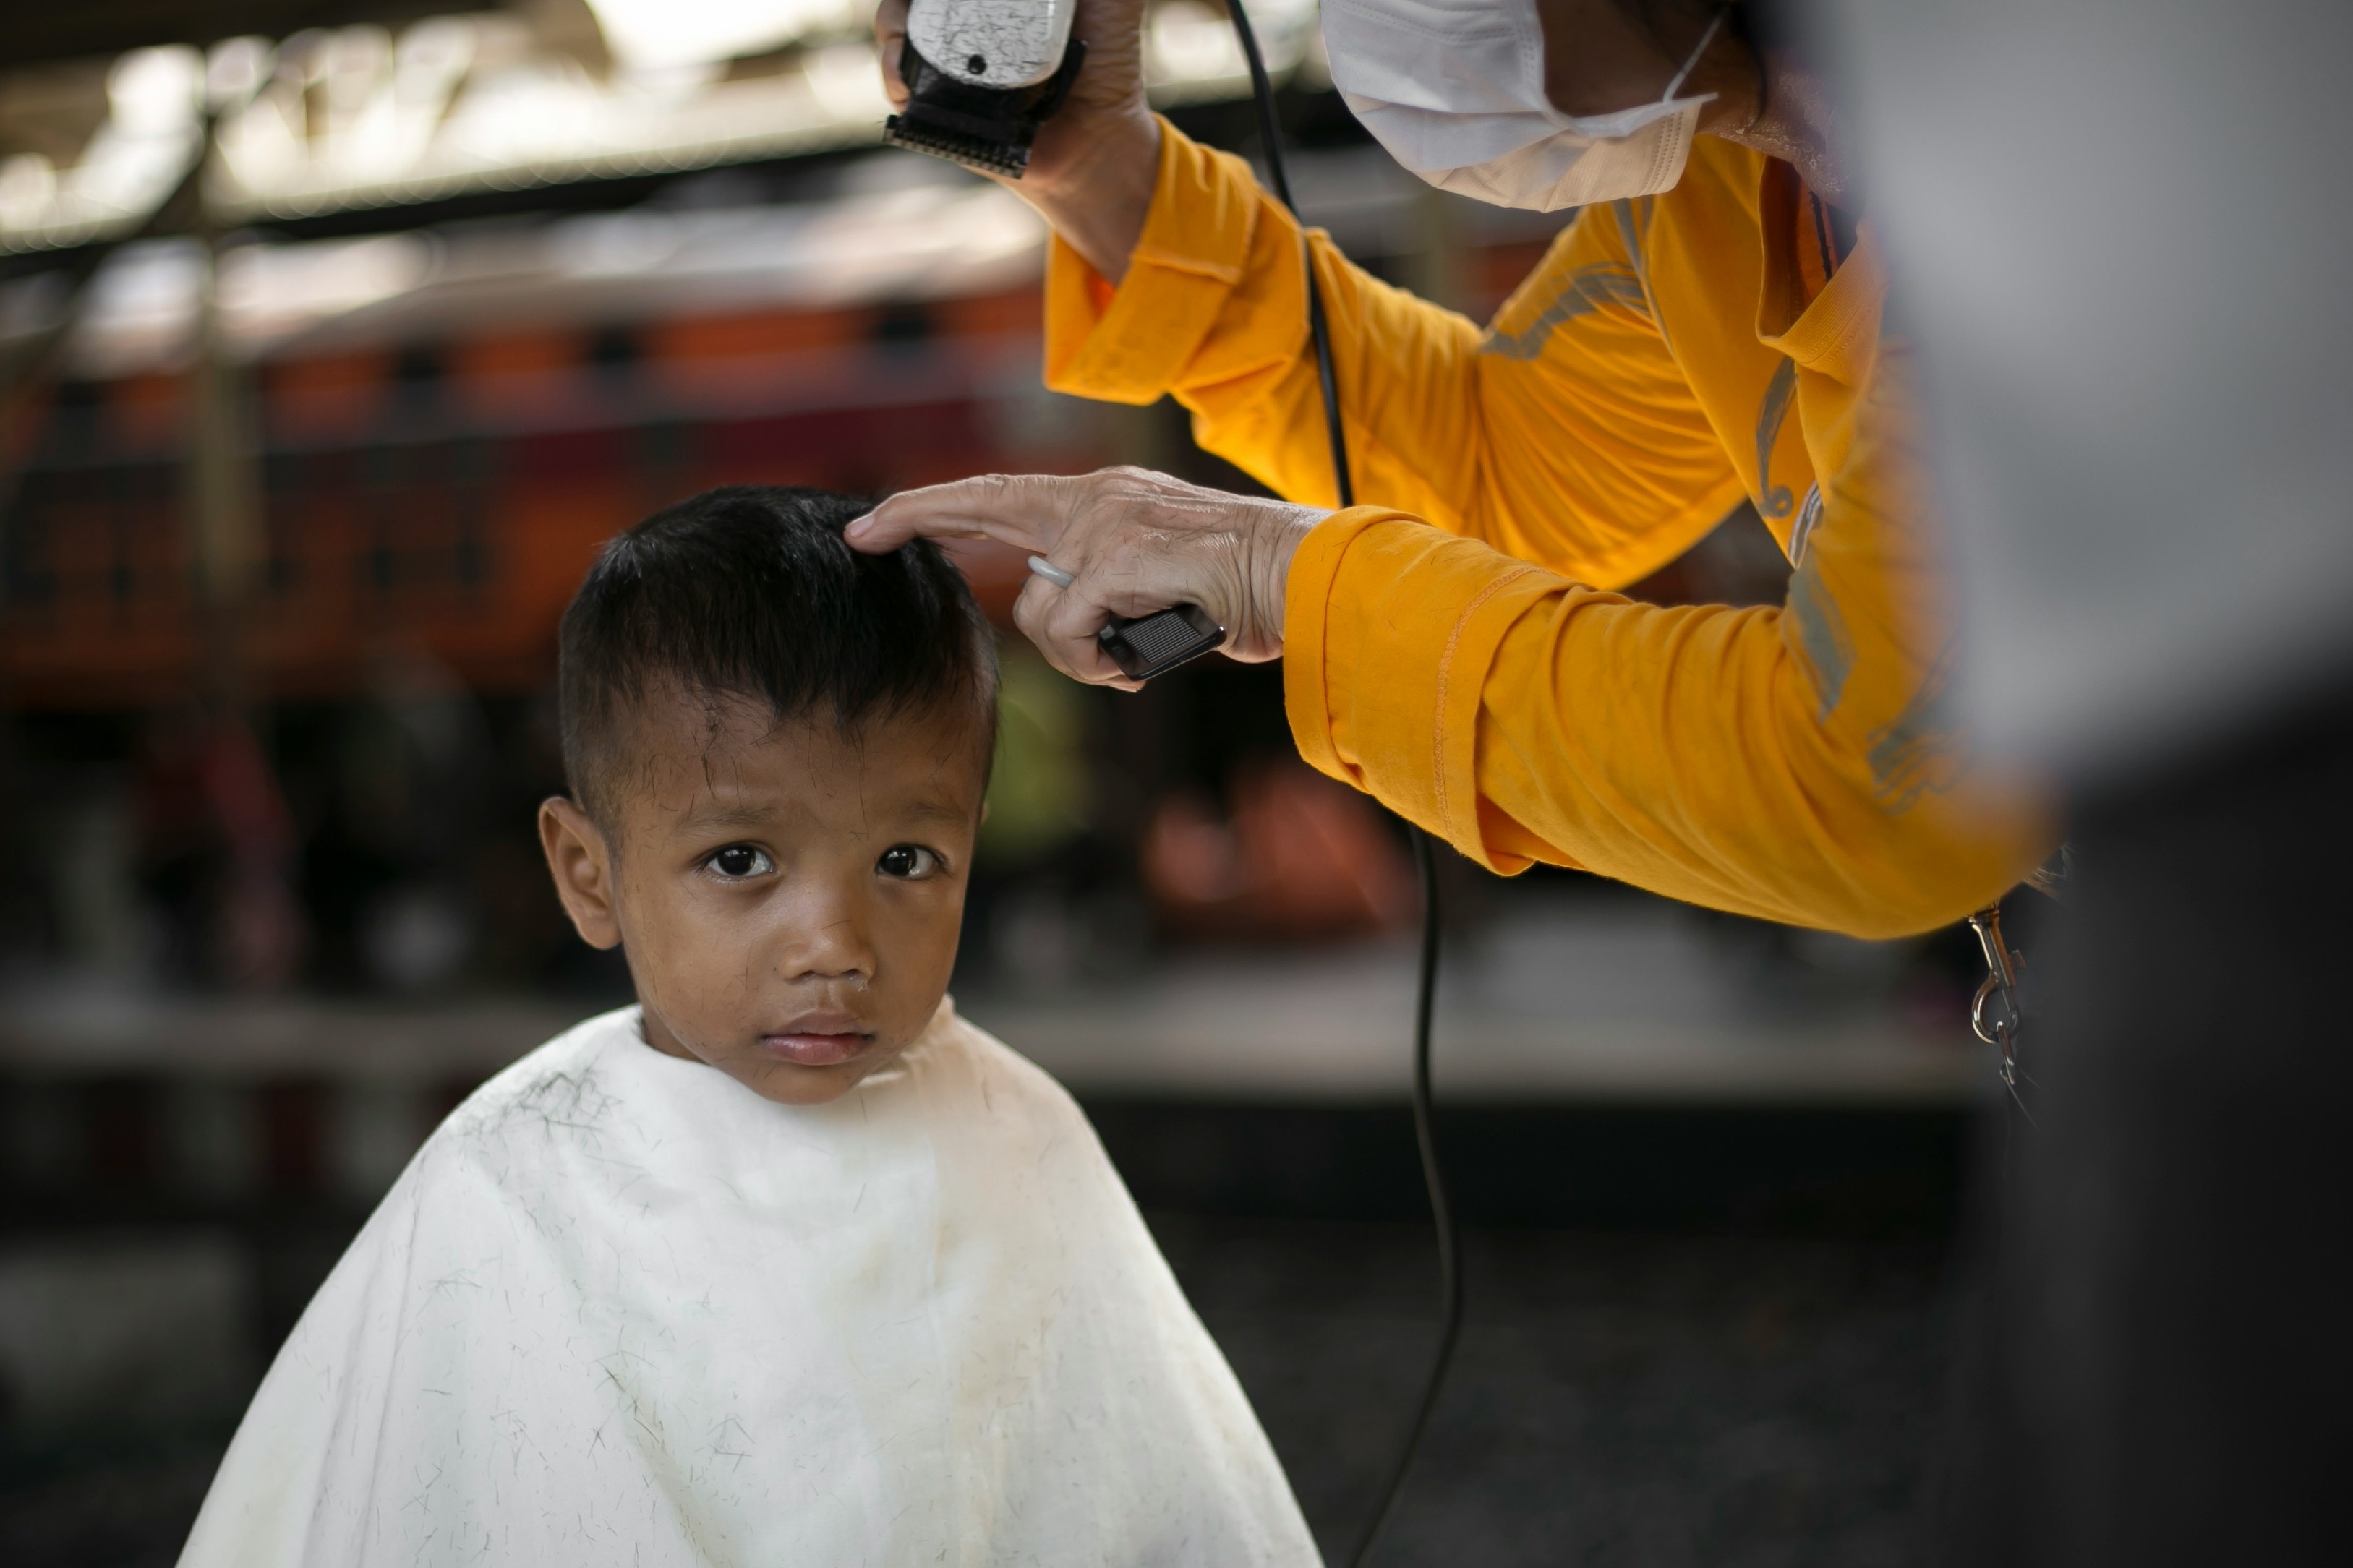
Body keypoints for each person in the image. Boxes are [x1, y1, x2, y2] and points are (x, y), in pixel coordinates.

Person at [177, 487, 1318, 1567]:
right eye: (740, 860)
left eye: (905, 860)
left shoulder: (1019, 1135)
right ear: (589, 873)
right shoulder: (503, 1185)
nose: (835, 942)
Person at [857, 0, 2054, 938]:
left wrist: (1286, 571)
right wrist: (1100, 174)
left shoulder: (2068, 179)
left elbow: (1870, 787)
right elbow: (1510, 473)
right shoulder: (1726, 159)